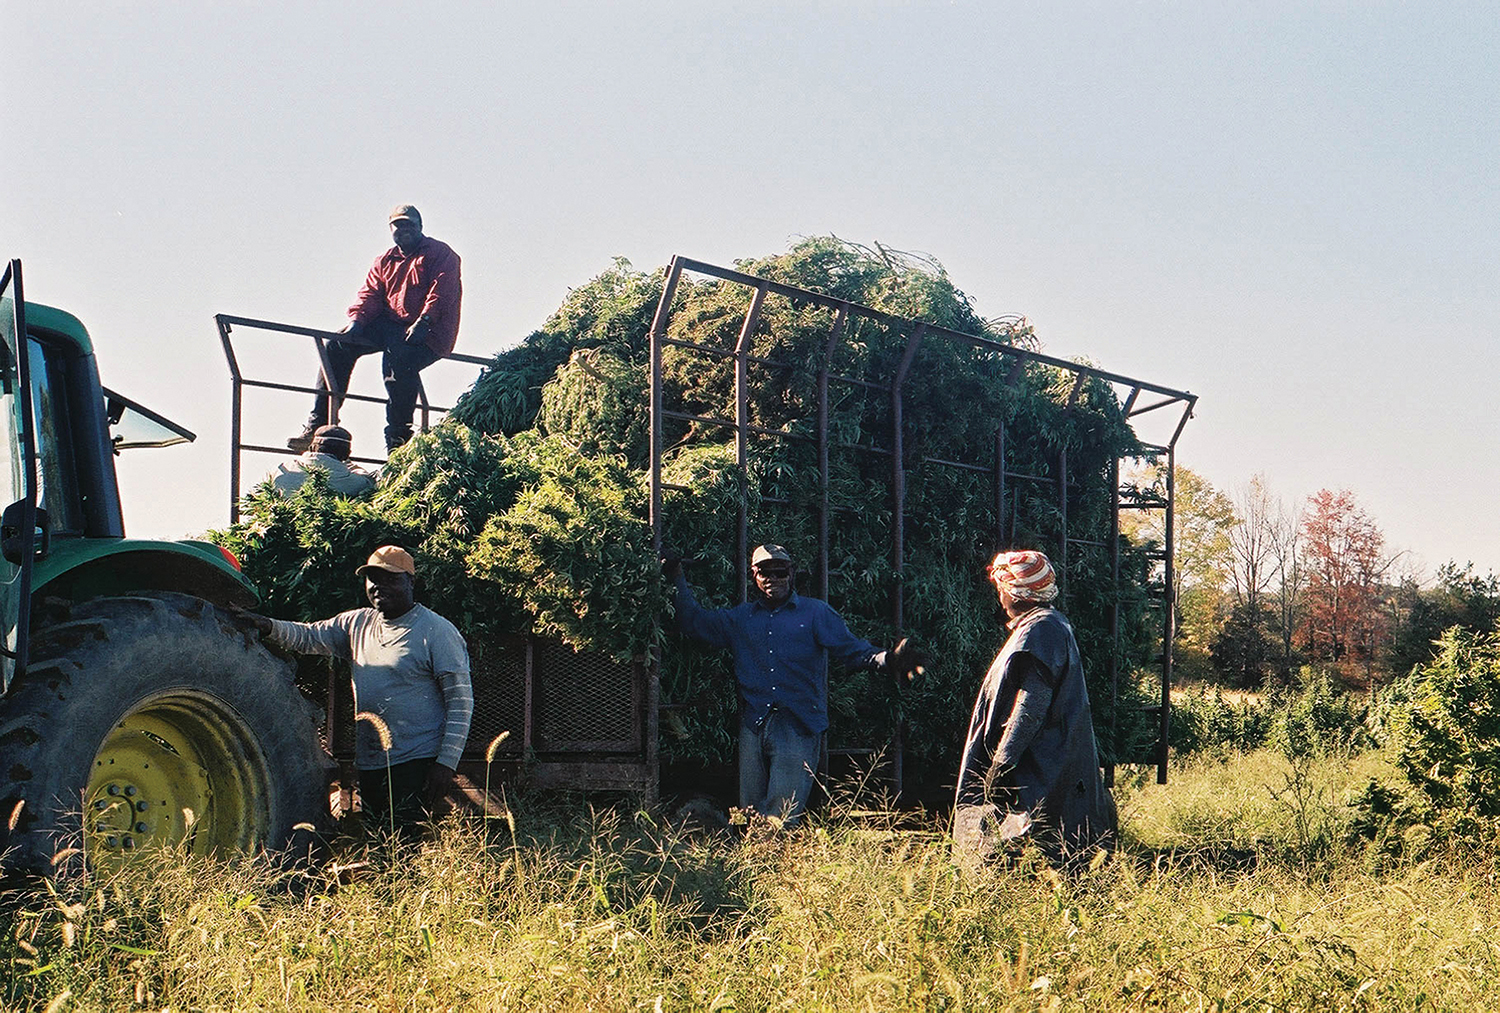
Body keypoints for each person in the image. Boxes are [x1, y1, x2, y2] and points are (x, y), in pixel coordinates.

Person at [666, 543, 926, 826]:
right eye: (765, 572)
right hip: (755, 721)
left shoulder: (815, 614)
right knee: (750, 813)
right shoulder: (740, 619)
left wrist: (887, 659)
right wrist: (676, 575)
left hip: (798, 723)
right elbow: (694, 622)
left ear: (791, 574)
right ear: (754, 575)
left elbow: (851, 649)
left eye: (780, 572)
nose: (773, 579)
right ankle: (759, 865)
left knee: (781, 814)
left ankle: (777, 860)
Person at [238, 545, 473, 835]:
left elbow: (460, 701)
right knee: (378, 841)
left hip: (416, 761)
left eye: (390, 578)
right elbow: (309, 636)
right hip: (372, 759)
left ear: (411, 581)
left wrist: (445, 764)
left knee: (405, 843)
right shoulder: (357, 623)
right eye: (372, 579)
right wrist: (268, 626)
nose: (378, 586)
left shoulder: (437, 631)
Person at [953, 549, 1116, 867]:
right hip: (1042, 763)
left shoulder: (1042, 629)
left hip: (1039, 767)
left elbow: (1031, 705)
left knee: (1024, 853)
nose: (999, 594)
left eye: (1002, 586)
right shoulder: (1045, 625)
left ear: (1019, 593)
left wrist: (1001, 764)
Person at [290, 204, 462, 454]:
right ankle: (320, 423)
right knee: (337, 345)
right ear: (391, 230)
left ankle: (398, 438)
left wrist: (424, 321)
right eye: (398, 225)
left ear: (420, 227)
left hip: (430, 331)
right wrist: (357, 322)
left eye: (409, 224)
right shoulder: (384, 260)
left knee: (399, 359)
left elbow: (442, 292)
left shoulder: (440, 253)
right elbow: (369, 294)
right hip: (392, 326)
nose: (403, 230)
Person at [272, 424, 376, 497]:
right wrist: (350, 464)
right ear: (346, 454)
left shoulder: (282, 470)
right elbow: (368, 481)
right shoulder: (346, 479)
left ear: (312, 447)